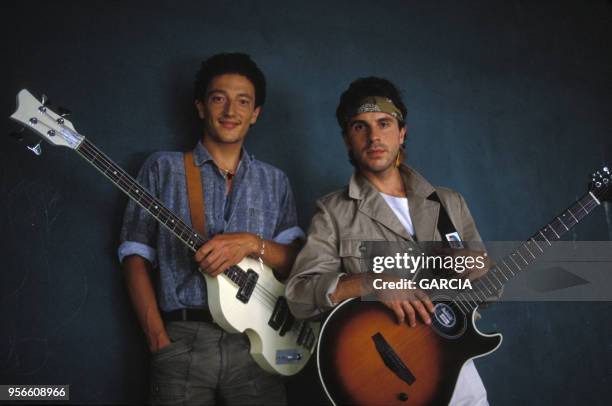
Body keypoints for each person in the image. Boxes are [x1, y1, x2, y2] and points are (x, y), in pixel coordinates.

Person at [285, 77, 489, 405]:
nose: (374, 136)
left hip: (457, 369)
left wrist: (479, 266)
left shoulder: (449, 203)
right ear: (346, 140)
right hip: (385, 381)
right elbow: (299, 296)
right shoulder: (332, 212)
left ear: (402, 132)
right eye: (360, 127)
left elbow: (489, 292)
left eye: (384, 123)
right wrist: (371, 283)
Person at [118, 53, 303, 405]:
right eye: (219, 98)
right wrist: (157, 337)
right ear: (201, 106)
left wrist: (251, 243)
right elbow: (135, 255)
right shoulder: (163, 168)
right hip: (183, 341)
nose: (231, 110)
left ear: (256, 113)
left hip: (258, 345)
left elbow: (296, 261)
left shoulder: (275, 180)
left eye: (243, 101)